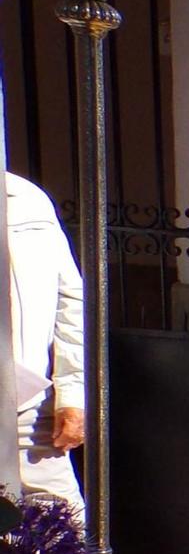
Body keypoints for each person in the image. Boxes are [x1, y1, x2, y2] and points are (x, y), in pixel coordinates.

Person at [7, 172, 84, 510]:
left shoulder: (25, 198)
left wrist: (72, 393)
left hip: (27, 405)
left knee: (62, 528)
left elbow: (70, 299)